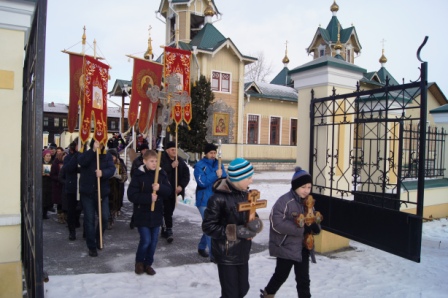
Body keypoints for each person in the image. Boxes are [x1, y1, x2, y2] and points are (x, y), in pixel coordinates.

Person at [202, 158, 263, 298]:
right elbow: (208, 227)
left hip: (243, 251)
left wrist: (255, 226)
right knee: (231, 294)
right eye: (248, 178)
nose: (251, 181)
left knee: (243, 289)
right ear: (238, 178)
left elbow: (253, 216)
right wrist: (237, 232)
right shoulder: (218, 199)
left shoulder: (246, 195)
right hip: (226, 253)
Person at [260, 167, 321, 298]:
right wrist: (301, 229)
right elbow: (276, 223)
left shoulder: (309, 203)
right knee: (280, 276)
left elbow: (312, 218)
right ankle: (267, 295)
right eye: (303, 187)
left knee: (303, 280)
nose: (306, 190)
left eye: (309, 187)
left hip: (303, 247)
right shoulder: (284, 201)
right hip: (286, 247)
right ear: (295, 186)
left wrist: (315, 227)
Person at [127, 150, 172, 275]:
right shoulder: (138, 175)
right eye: (151, 161)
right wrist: (148, 198)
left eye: (156, 161)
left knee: (153, 242)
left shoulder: (161, 174)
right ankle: (139, 262)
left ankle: (148, 264)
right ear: (144, 161)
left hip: (156, 213)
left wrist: (160, 188)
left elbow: (168, 191)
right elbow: (131, 195)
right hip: (142, 213)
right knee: (146, 240)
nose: (154, 164)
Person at [77, 138, 116, 257]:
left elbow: (112, 169)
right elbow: (82, 162)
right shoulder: (85, 153)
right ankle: (92, 246)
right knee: (89, 219)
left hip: (101, 192)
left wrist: (103, 173)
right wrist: (93, 151)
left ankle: (99, 237)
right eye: (97, 142)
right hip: (87, 193)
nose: (100, 144)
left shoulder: (107, 156)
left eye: (101, 142)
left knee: (104, 217)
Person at [194, 143, 227, 260]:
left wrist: (221, 174)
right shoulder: (199, 166)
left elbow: (224, 177)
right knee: (210, 225)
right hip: (204, 200)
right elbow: (202, 182)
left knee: (210, 225)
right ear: (206, 154)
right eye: (211, 153)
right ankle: (214, 255)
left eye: (214, 153)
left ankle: (202, 247)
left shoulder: (219, 164)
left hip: (216, 199)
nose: (213, 155)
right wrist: (215, 174)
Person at [160, 141, 190, 243]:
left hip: (174, 191)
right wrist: (171, 166)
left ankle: (164, 226)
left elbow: (186, 175)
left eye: (175, 149)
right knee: (166, 210)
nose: (174, 151)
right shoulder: (162, 160)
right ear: (167, 151)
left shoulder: (180, 161)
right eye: (172, 150)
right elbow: (159, 173)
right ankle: (169, 230)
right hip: (164, 190)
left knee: (170, 211)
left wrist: (181, 186)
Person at [63, 140, 82, 241]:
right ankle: (72, 231)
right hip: (72, 188)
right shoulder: (68, 158)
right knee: (71, 210)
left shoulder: (83, 156)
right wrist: (76, 156)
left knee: (81, 208)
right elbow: (68, 168)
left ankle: (84, 230)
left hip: (82, 187)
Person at [129, 143, 149, 229]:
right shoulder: (137, 161)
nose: (144, 151)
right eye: (143, 150)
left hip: (148, 185)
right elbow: (133, 172)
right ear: (141, 151)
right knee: (137, 204)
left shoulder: (151, 159)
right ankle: (134, 220)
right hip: (139, 185)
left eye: (146, 150)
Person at [107, 149, 128, 229]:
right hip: (107, 187)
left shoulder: (120, 164)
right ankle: (107, 219)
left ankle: (110, 220)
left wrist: (120, 177)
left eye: (113, 156)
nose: (112, 158)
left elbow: (125, 176)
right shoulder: (105, 164)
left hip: (117, 189)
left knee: (114, 205)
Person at [50, 150, 66, 224]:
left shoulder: (66, 163)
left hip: (64, 185)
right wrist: (59, 178)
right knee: (59, 202)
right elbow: (52, 175)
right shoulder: (55, 163)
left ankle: (65, 216)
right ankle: (60, 217)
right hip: (58, 185)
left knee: (64, 202)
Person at [42, 149, 53, 219]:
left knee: (47, 200)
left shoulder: (52, 163)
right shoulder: (41, 163)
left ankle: (45, 213)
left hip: (49, 184)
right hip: (42, 183)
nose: (48, 157)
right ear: (44, 156)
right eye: (47, 156)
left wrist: (50, 174)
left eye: (49, 156)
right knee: (42, 199)